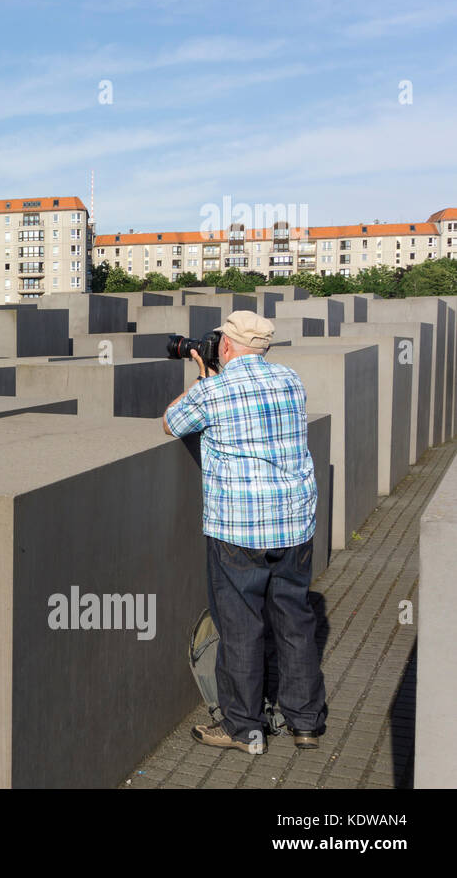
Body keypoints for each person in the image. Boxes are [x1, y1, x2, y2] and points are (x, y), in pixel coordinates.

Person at [162, 310, 326, 754]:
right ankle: (306, 722)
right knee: (294, 621)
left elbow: (171, 422)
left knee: (241, 629)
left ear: (226, 346)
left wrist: (202, 374)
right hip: (295, 524)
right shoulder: (290, 379)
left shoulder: (215, 390)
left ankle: (243, 728)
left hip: (239, 529)